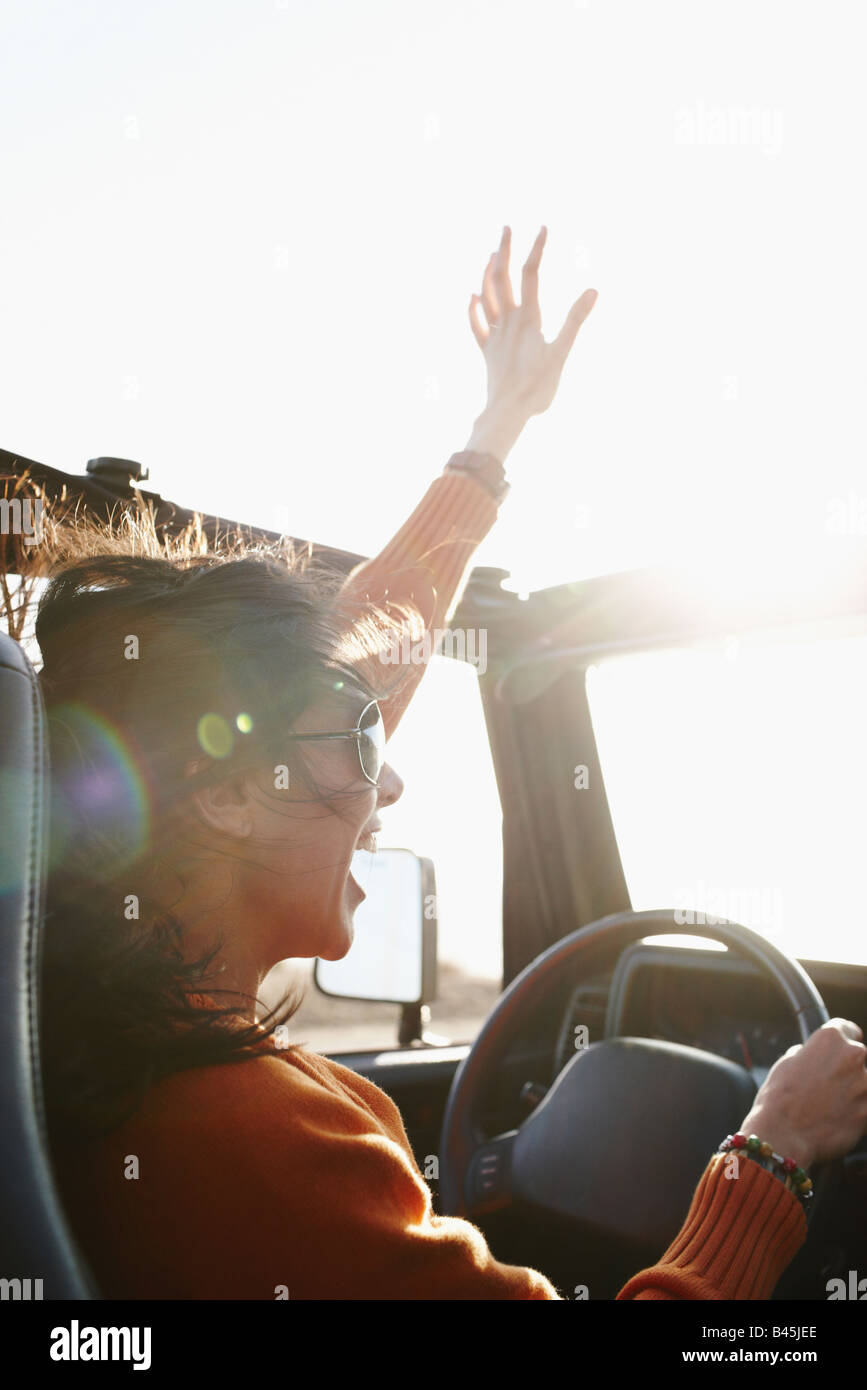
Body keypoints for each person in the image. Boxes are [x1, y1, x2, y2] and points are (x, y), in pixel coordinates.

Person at [36, 227, 867, 1299]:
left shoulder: (97, 1062)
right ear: (233, 791)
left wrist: (496, 431)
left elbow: (352, 667)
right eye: (356, 740)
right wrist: (774, 1150)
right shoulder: (262, 1141)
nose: (388, 782)